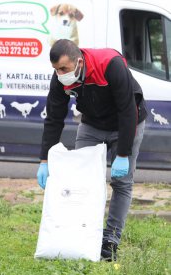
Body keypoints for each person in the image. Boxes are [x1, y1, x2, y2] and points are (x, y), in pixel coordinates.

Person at [37, 39, 147, 261]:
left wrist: (123, 154)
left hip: (127, 122)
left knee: (122, 183)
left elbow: (128, 110)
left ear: (79, 62)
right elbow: (54, 118)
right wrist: (44, 160)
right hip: (92, 125)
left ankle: (110, 240)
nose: (60, 74)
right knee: (81, 181)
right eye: (56, 70)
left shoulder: (111, 64)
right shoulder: (60, 78)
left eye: (64, 69)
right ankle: (82, 235)